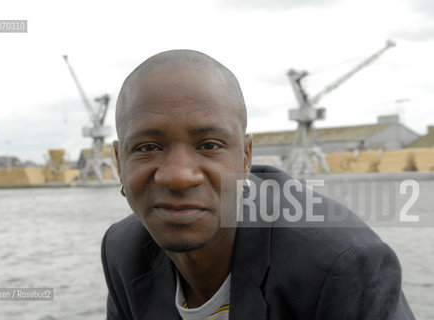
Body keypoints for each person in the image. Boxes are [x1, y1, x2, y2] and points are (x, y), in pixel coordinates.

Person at [101, 49, 415, 319]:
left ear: (246, 157)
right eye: (147, 148)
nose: (180, 176)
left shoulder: (343, 265)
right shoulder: (123, 251)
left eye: (209, 145)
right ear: (118, 161)